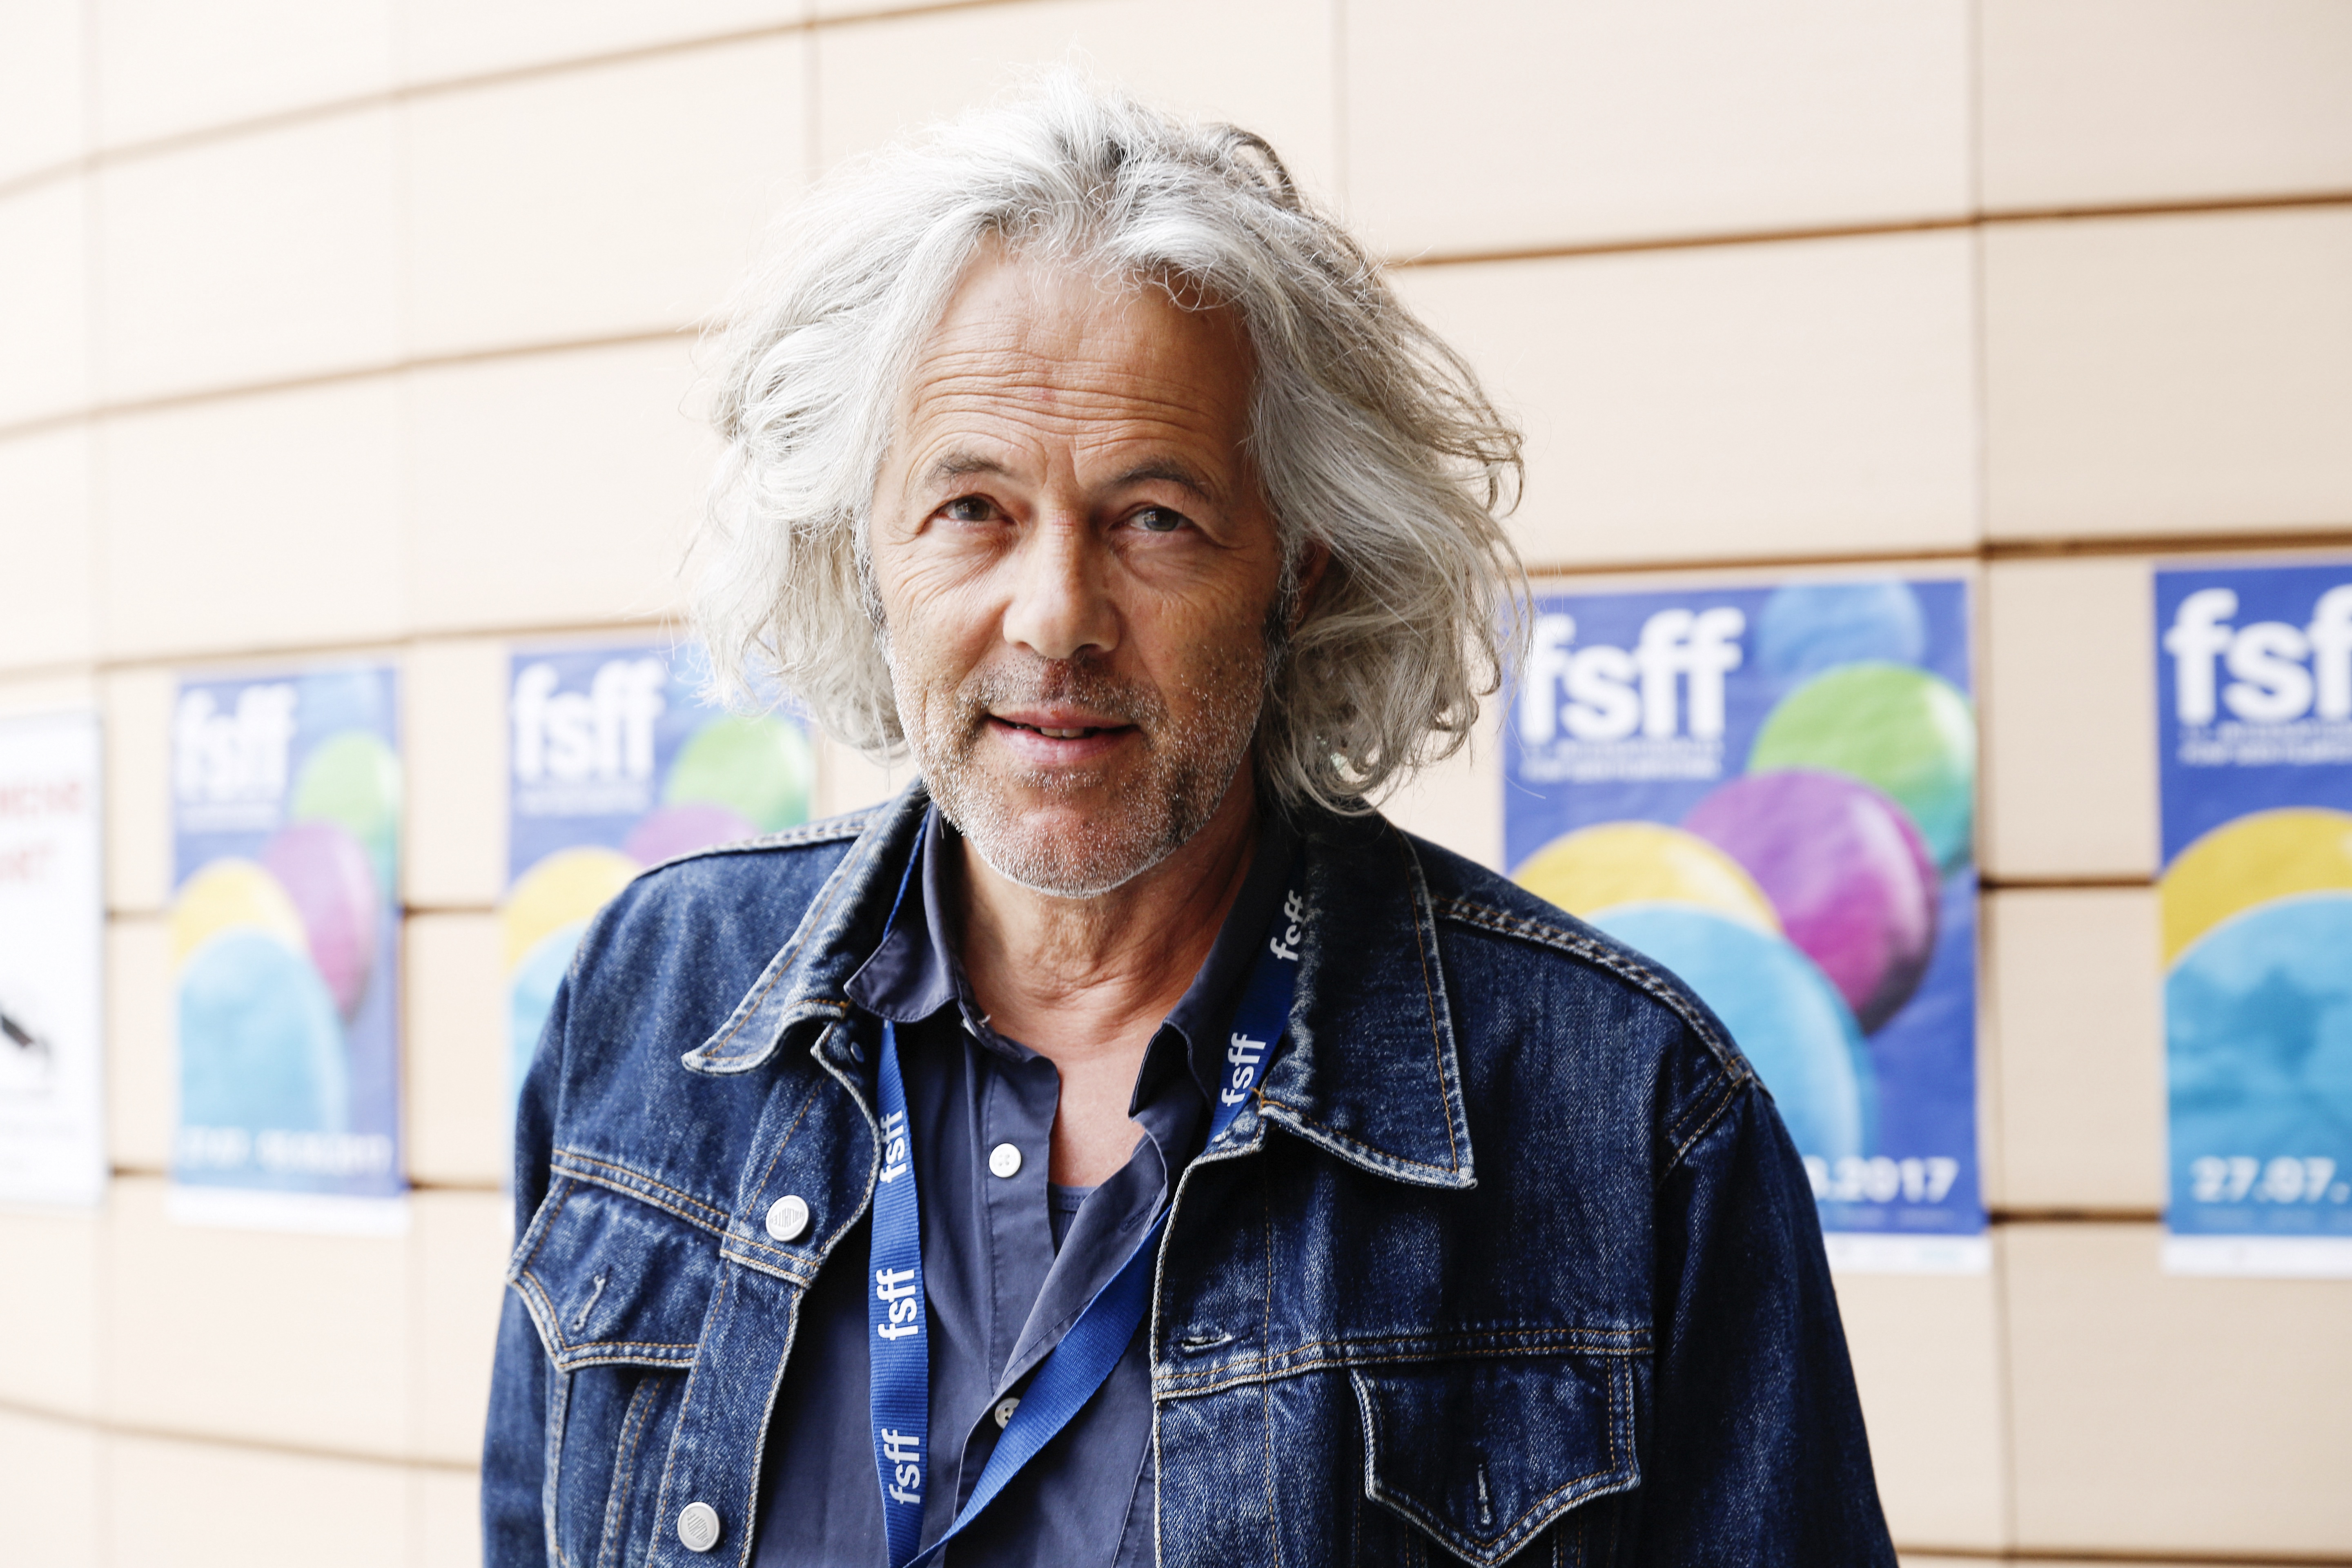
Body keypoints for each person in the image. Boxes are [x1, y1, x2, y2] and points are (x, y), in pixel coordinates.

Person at [482, 77, 1896, 1568]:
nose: (1058, 616)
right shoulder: (657, 996)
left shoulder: (1625, 1115)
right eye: (973, 508)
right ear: (862, 548)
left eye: (1154, 516)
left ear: (1300, 566)